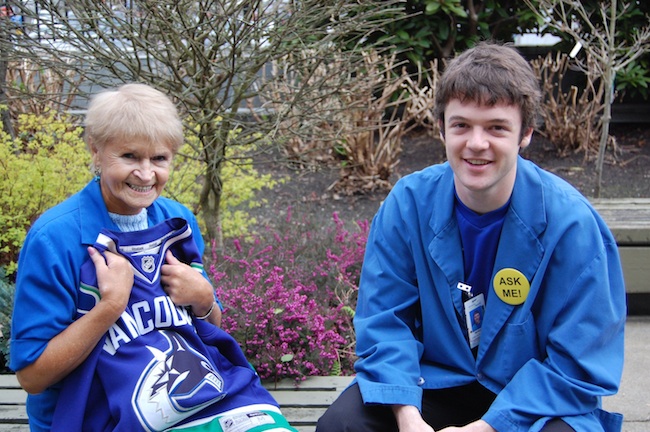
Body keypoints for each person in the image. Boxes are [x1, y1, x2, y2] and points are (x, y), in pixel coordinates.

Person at [316, 42, 626, 431]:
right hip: (436, 383)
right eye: (461, 125)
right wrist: (407, 417)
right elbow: (384, 322)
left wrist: (489, 427)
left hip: (535, 400)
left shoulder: (575, 227)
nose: (476, 144)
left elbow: (578, 365)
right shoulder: (408, 204)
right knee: (343, 425)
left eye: (497, 127)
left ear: (525, 133)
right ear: (442, 128)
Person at [10, 83, 296, 432]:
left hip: (198, 397)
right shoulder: (54, 238)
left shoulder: (177, 222)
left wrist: (205, 300)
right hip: (93, 414)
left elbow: (205, 331)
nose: (146, 174)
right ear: (96, 151)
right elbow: (32, 377)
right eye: (129, 156)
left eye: (159, 159)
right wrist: (109, 308)